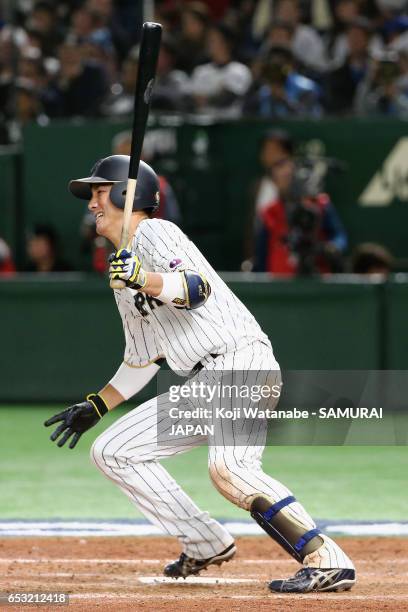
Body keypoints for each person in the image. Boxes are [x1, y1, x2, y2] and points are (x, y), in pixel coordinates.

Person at [44, 154, 356, 594]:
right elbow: (143, 358)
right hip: (204, 384)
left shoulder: (156, 232)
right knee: (113, 450)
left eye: (98, 192)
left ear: (123, 194)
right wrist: (97, 405)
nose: (91, 204)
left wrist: (143, 277)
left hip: (239, 363)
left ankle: (327, 559)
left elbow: (195, 289)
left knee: (230, 467)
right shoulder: (123, 274)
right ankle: (205, 541)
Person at [252, 130, 347, 275]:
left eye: (287, 167)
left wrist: (333, 247)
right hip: (279, 285)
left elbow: (339, 236)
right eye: (278, 169)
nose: (284, 173)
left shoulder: (319, 204)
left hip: (318, 280)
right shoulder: (269, 213)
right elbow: (262, 256)